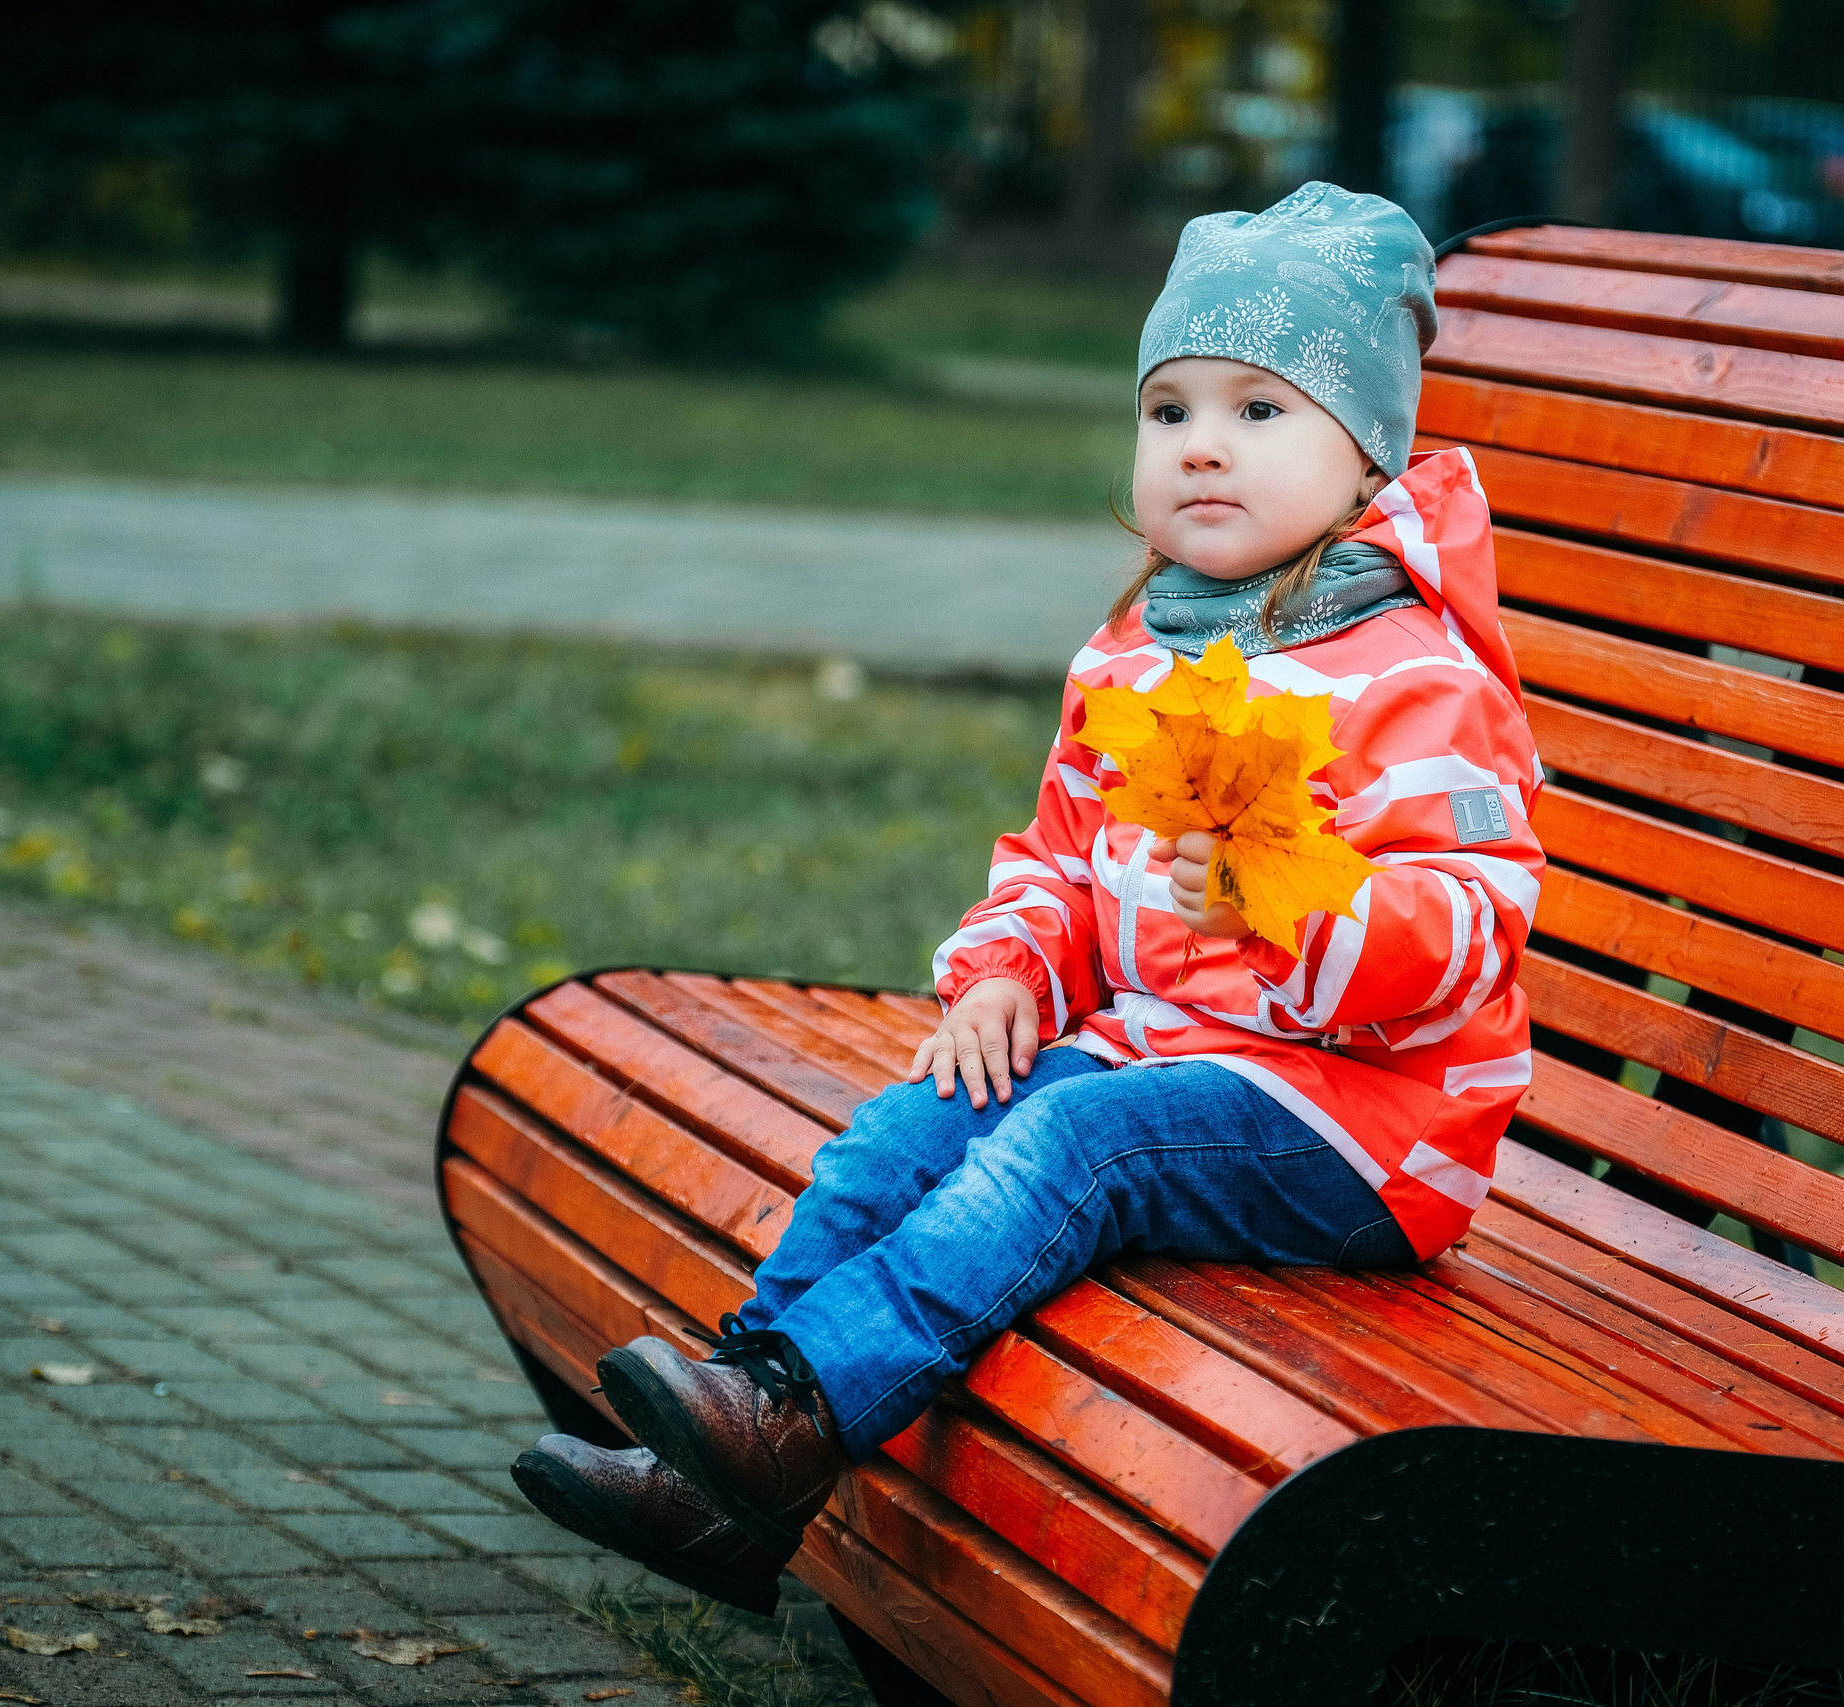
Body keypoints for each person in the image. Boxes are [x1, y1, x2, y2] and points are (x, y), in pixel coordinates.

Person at [508, 182, 1545, 1615]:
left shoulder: (1416, 676)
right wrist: (1008, 975)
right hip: (1168, 1058)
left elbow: (1472, 929)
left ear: (1368, 452)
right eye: (1170, 408)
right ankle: (729, 1446)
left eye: (1260, 411)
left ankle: (792, 1423)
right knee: (915, 1121)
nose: (1201, 448)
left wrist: (1290, 904)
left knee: (1077, 1141)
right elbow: (1059, 860)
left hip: (1362, 1126)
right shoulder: (1138, 648)